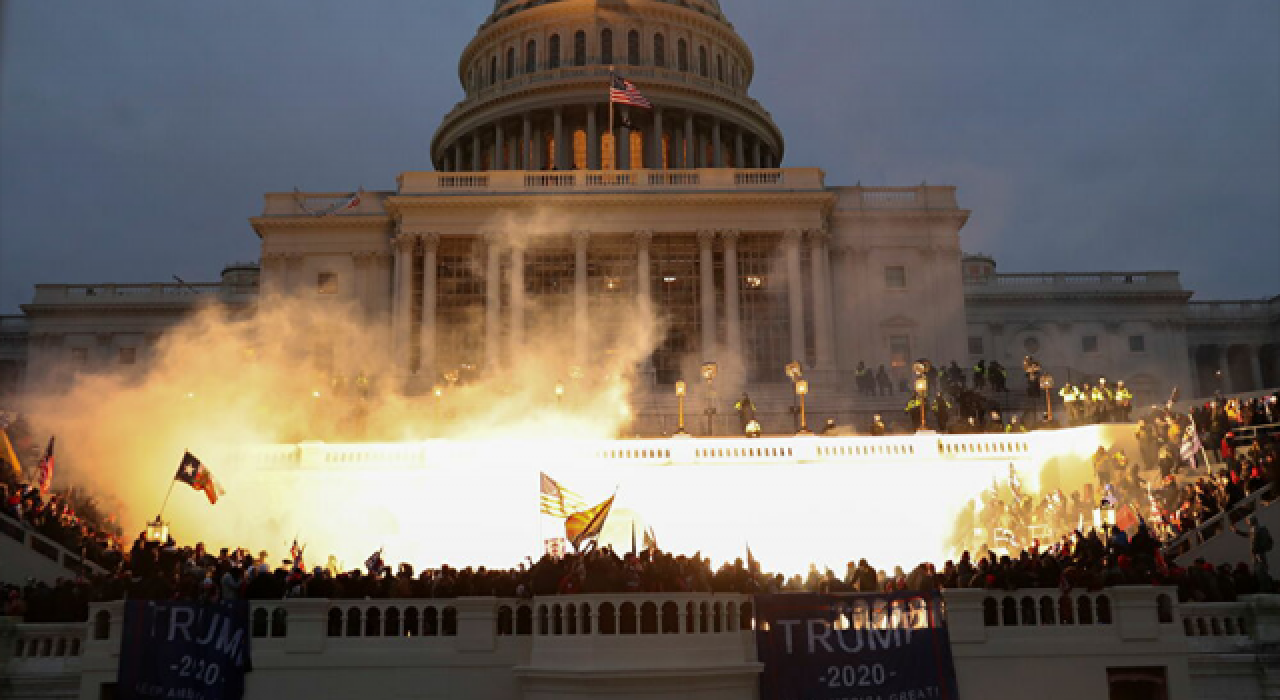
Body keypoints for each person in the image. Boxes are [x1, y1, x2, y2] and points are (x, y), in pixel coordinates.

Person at [1229, 515, 1274, 593]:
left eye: (1248, 520)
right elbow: (1248, 535)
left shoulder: (1254, 529)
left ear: (1251, 521)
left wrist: (1253, 553)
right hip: (1260, 553)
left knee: (1260, 571)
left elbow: (1253, 542)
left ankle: (1265, 588)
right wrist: (1236, 531)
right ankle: (1267, 587)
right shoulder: (1257, 528)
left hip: (1257, 555)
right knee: (1263, 570)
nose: (1246, 522)